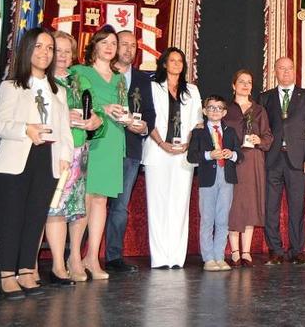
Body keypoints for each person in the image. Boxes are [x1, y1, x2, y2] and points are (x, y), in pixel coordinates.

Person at [0, 28, 72, 299]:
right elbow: (0, 125)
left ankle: (27, 270)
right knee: (12, 218)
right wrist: (27, 129)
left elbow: (65, 129)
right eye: (39, 47)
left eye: (50, 48)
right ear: (27, 50)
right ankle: (7, 274)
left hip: (47, 159)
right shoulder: (12, 85)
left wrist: (65, 156)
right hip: (16, 159)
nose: (45, 53)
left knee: (36, 217)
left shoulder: (58, 90)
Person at [70, 25, 131, 279]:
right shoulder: (79, 71)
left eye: (114, 43)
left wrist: (130, 120)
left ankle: (92, 258)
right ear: (93, 45)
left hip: (114, 139)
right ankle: (74, 257)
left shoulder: (119, 78)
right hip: (91, 138)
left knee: (101, 201)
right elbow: (77, 103)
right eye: (104, 42)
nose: (109, 47)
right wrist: (104, 108)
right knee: (84, 200)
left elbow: (124, 108)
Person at [43, 31, 103, 285]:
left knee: (78, 209)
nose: (63, 55)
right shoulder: (41, 81)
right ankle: (56, 264)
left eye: (68, 51)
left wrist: (94, 121)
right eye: (58, 50)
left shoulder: (79, 80)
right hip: (52, 151)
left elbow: (97, 113)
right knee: (53, 207)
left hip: (80, 151)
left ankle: (75, 258)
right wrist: (62, 118)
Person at [143, 47, 203, 269]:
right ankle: (159, 257)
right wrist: (161, 143)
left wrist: (188, 143)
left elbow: (198, 121)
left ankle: (176, 257)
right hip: (157, 150)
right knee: (158, 204)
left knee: (179, 204)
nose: (177, 64)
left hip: (183, 154)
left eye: (180, 61)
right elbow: (148, 118)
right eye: (172, 60)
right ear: (164, 64)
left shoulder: (192, 91)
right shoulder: (152, 87)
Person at [104, 30, 154, 273]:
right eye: (123, 44)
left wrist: (143, 126)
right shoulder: (102, 74)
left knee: (120, 206)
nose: (128, 49)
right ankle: (78, 256)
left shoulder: (144, 80)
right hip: (102, 147)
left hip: (130, 149)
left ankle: (113, 257)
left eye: (133, 45)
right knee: (91, 203)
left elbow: (151, 115)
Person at [259, 57, 305, 265]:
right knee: (271, 207)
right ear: (275, 72)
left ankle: (297, 250)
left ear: (295, 71)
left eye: (290, 68)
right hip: (272, 160)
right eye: (281, 69)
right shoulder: (265, 98)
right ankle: (275, 250)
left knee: (297, 206)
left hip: (298, 160)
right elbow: (261, 130)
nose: (286, 72)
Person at [224, 69, 273, 267]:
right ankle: (234, 251)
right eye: (241, 81)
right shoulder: (226, 109)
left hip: (253, 160)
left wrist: (259, 139)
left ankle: (246, 251)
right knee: (233, 204)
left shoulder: (259, 110)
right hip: (232, 160)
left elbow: (269, 137)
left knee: (251, 204)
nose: (245, 85)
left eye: (249, 82)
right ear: (233, 85)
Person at [188, 95, 242, 271]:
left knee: (222, 219)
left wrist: (231, 154)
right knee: (207, 219)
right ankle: (208, 258)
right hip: (207, 180)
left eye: (219, 108)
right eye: (211, 108)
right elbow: (191, 156)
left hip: (226, 178)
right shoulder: (198, 132)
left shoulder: (230, 132)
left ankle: (219, 256)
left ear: (224, 112)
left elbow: (239, 155)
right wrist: (209, 155)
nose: (215, 111)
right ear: (204, 111)